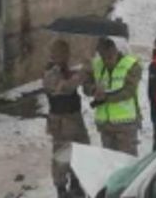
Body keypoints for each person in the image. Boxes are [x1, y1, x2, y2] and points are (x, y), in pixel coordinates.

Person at [43, 39, 90, 198]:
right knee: (62, 156)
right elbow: (65, 88)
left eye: (67, 52)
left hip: (75, 118)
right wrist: (82, 74)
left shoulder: (66, 69)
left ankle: (76, 183)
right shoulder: (50, 72)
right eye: (63, 53)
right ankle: (61, 189)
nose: (66, 56)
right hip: (61, 121)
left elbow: (78, 85)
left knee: (81, 151)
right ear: (56, 55)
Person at [90, 38, 141, 155]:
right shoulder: (97, 65)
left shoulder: (131, 65)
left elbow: (129, 91)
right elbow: (87, 85)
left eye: (109, 57)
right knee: (110, 162)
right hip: (105, 125)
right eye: (103, 57)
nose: (106, 61)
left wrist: (106, 97)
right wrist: (93, 90)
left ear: (115, 51)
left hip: (126, 125)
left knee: (127, 163)